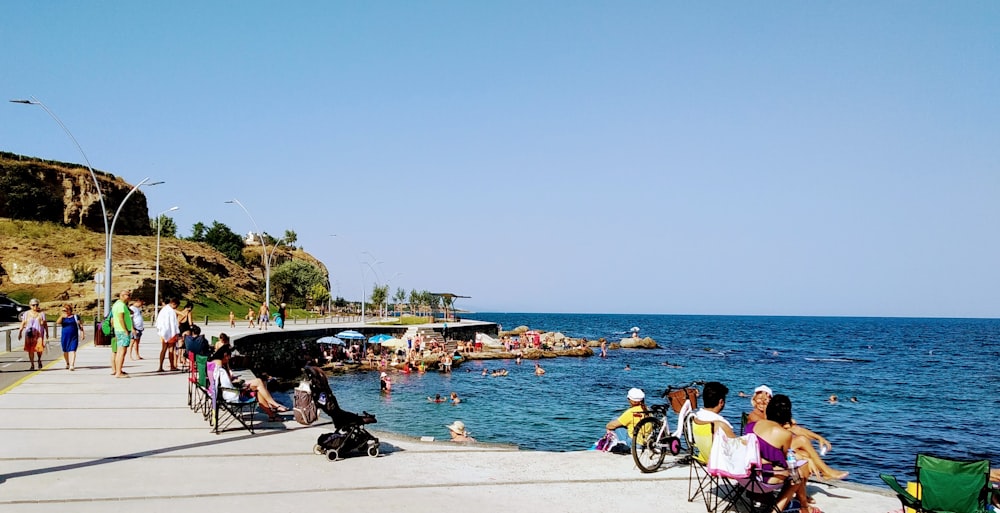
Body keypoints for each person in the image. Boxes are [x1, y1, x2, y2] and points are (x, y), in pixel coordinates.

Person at [747, 385, 848, 480]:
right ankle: (825, 471)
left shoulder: (772, 416)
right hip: (763, 453)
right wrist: (802, 457)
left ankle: (804, 495)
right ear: (754, 400)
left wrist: (818, 438)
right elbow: (789, 429)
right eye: (759, 398)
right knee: (803, 447)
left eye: (766, 399)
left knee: (804, 451)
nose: (762, 402)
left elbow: (795, 428)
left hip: (770, 449)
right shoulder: (755, 416)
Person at [750, 394, 813, 513]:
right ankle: (783, 509)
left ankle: (804, 506)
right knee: (796, 476)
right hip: (764, 479)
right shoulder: (785, 435)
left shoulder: (752, 425)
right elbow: (783, 461)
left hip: (745, 477)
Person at [211, 346, 287, 422]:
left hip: (226, 390)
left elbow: (226, 380)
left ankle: (272, 414)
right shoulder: (219, 364)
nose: (229, 359)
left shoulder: (213, 363)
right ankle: (273, 406)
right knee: (258, 383)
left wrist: (230, 371)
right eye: (228, 357)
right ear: (225, 355)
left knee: (258, 387)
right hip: (232, 393)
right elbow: (227, 381)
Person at [18, 298, 48, 371]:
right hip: (29, 334)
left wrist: (47, 332)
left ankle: (39, 359)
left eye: (36, 305)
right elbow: (23, 323)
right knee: (30, 350)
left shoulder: (41, 314)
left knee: (39, 349)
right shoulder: (26, 314)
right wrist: (20, 332)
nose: (35, 306)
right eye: (33, 305)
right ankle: (32, 364)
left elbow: (45, 324)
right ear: (30, 305)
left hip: (39, 334)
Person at [110, 289, 134, 378]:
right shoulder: (120, 305)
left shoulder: (117, 304)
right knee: (122, 352)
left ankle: (118, 370)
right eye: (128, 295)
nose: (129, 297)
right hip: (122, 330)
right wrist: (125, 330)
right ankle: (118, 372)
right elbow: (120, 318)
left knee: (120, 351)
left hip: (118, 330)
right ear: (122, 295)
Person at [56, 303, 83, 371]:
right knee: (65, 351)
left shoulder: (75, 317)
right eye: (63, 310)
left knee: (72, 350)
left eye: (66, 310)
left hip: (74, 336)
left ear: (70, 310)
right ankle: (67, 362)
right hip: (65, 336)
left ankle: (72, 365)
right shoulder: (63, 317)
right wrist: (62, 316)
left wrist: (82, 333)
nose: (65, 312)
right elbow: (58, 322)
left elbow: (80, 325)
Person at [155, 298, 180, 372]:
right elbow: (173, 323)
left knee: (163, 349)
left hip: (163, 332)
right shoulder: (171, 311)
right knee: (171, 350)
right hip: (170, 333)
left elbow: (159, 321)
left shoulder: (163, 310)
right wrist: (175, 332)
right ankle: (172, 366)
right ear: (174, 304)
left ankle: (160, 366)